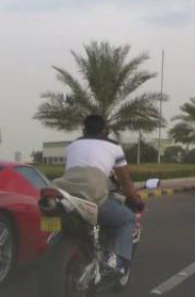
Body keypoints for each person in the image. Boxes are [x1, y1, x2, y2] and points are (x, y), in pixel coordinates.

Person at [53, 114, 145, 276]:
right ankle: (113, 262)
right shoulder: (114, 147)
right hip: (92, 195)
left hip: (65, 194)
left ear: (84, 129)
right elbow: (125, 181)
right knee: (127, 219)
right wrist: (135, 199)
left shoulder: (72, 145)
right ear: (105, 131)